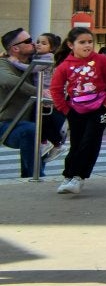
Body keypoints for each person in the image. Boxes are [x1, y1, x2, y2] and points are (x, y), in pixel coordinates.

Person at [48, 27, 106, 194]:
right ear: (70, 45)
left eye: (90, 42)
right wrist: (66, 110)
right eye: (82, 42)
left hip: (100, 109)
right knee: (77, 143)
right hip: (76, 110)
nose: (87, 46)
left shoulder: (101, 60)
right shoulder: (64, 66)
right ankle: (69, 176)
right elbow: (56, 89)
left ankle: (78, 177)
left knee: (91, 141)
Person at [2, 28, 59, 178]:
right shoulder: (4, 63)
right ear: (15, 48)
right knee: (32, 131)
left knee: (44, 130)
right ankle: (34, 177)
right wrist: (38, 91)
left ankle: (34, 174)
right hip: (7, 123)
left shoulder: (38, 62)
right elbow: (8, 81)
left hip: (35, 117)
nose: (34, 43)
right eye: (28, 41)